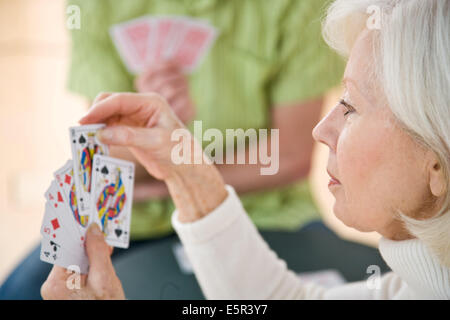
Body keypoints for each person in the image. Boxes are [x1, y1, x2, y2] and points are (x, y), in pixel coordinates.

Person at [40, 0, 450, 299]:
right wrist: (182, 169)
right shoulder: (409, 287)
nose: (322, 129)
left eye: (352, 106)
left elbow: (289, 158)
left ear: (437, 166)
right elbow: (282, 297)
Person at [1, 0, 352, 299]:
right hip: (132, 219)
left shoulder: (297, 7)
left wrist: (179, 174)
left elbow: (289, 157)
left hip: (267, 213)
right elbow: (101, 156)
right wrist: (145, 136)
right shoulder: (93, 5)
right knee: (19, 293)